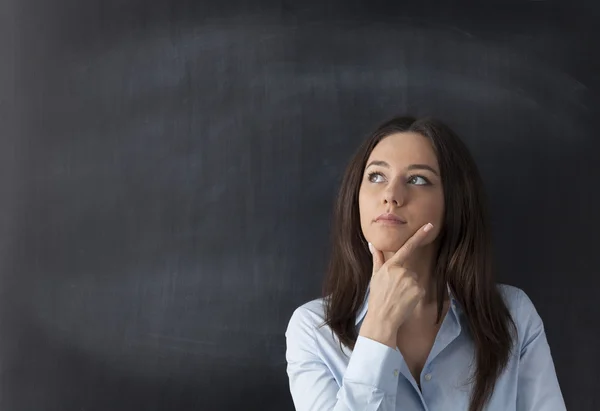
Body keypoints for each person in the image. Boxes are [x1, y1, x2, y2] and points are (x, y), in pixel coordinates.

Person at [284, 116, 566, 411]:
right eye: (377, 176)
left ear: (453, 203)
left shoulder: (513, 316)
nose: (391, 196)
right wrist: (378, 328)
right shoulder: (313, 330)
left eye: (418, 179)